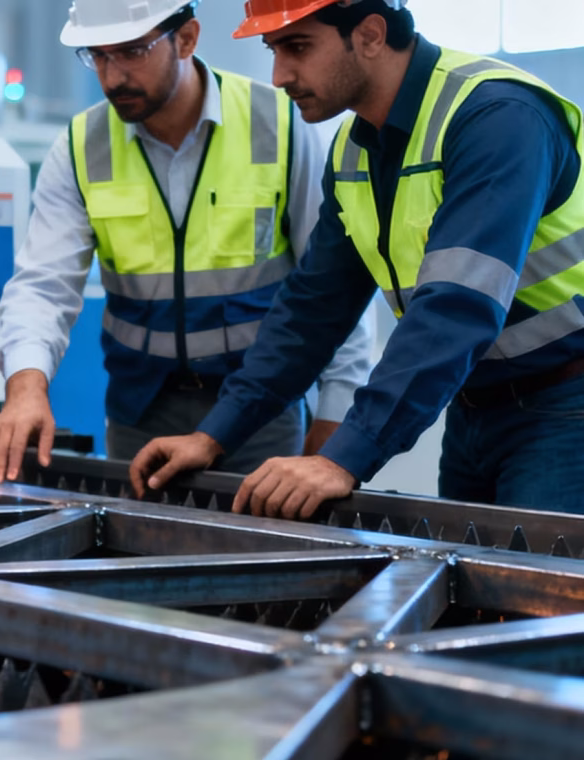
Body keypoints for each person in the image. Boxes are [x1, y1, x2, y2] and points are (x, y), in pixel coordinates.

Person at [130, 0, 584, 516]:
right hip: (473, 408)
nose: (279, 76)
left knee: (542, 592)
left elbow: (456, 308)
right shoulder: (354, 147)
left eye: (298, 47)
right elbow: (313, 308)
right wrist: (214, 434)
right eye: (273, 50)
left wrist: (340, 458)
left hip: (566, 408)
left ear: (370, 34)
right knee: (478, 592)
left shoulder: (498, 118)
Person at [0, 0, 374, 484]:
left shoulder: (280, 125)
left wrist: (333, 415)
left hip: (261, 411)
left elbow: (333, 287)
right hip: (140, 410)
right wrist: (24, 387)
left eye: (131, 51)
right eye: (97, 56)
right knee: (136, 549)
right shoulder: (82, 146)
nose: (112, 77)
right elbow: (43, 285)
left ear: (187, 38)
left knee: (268, 554)